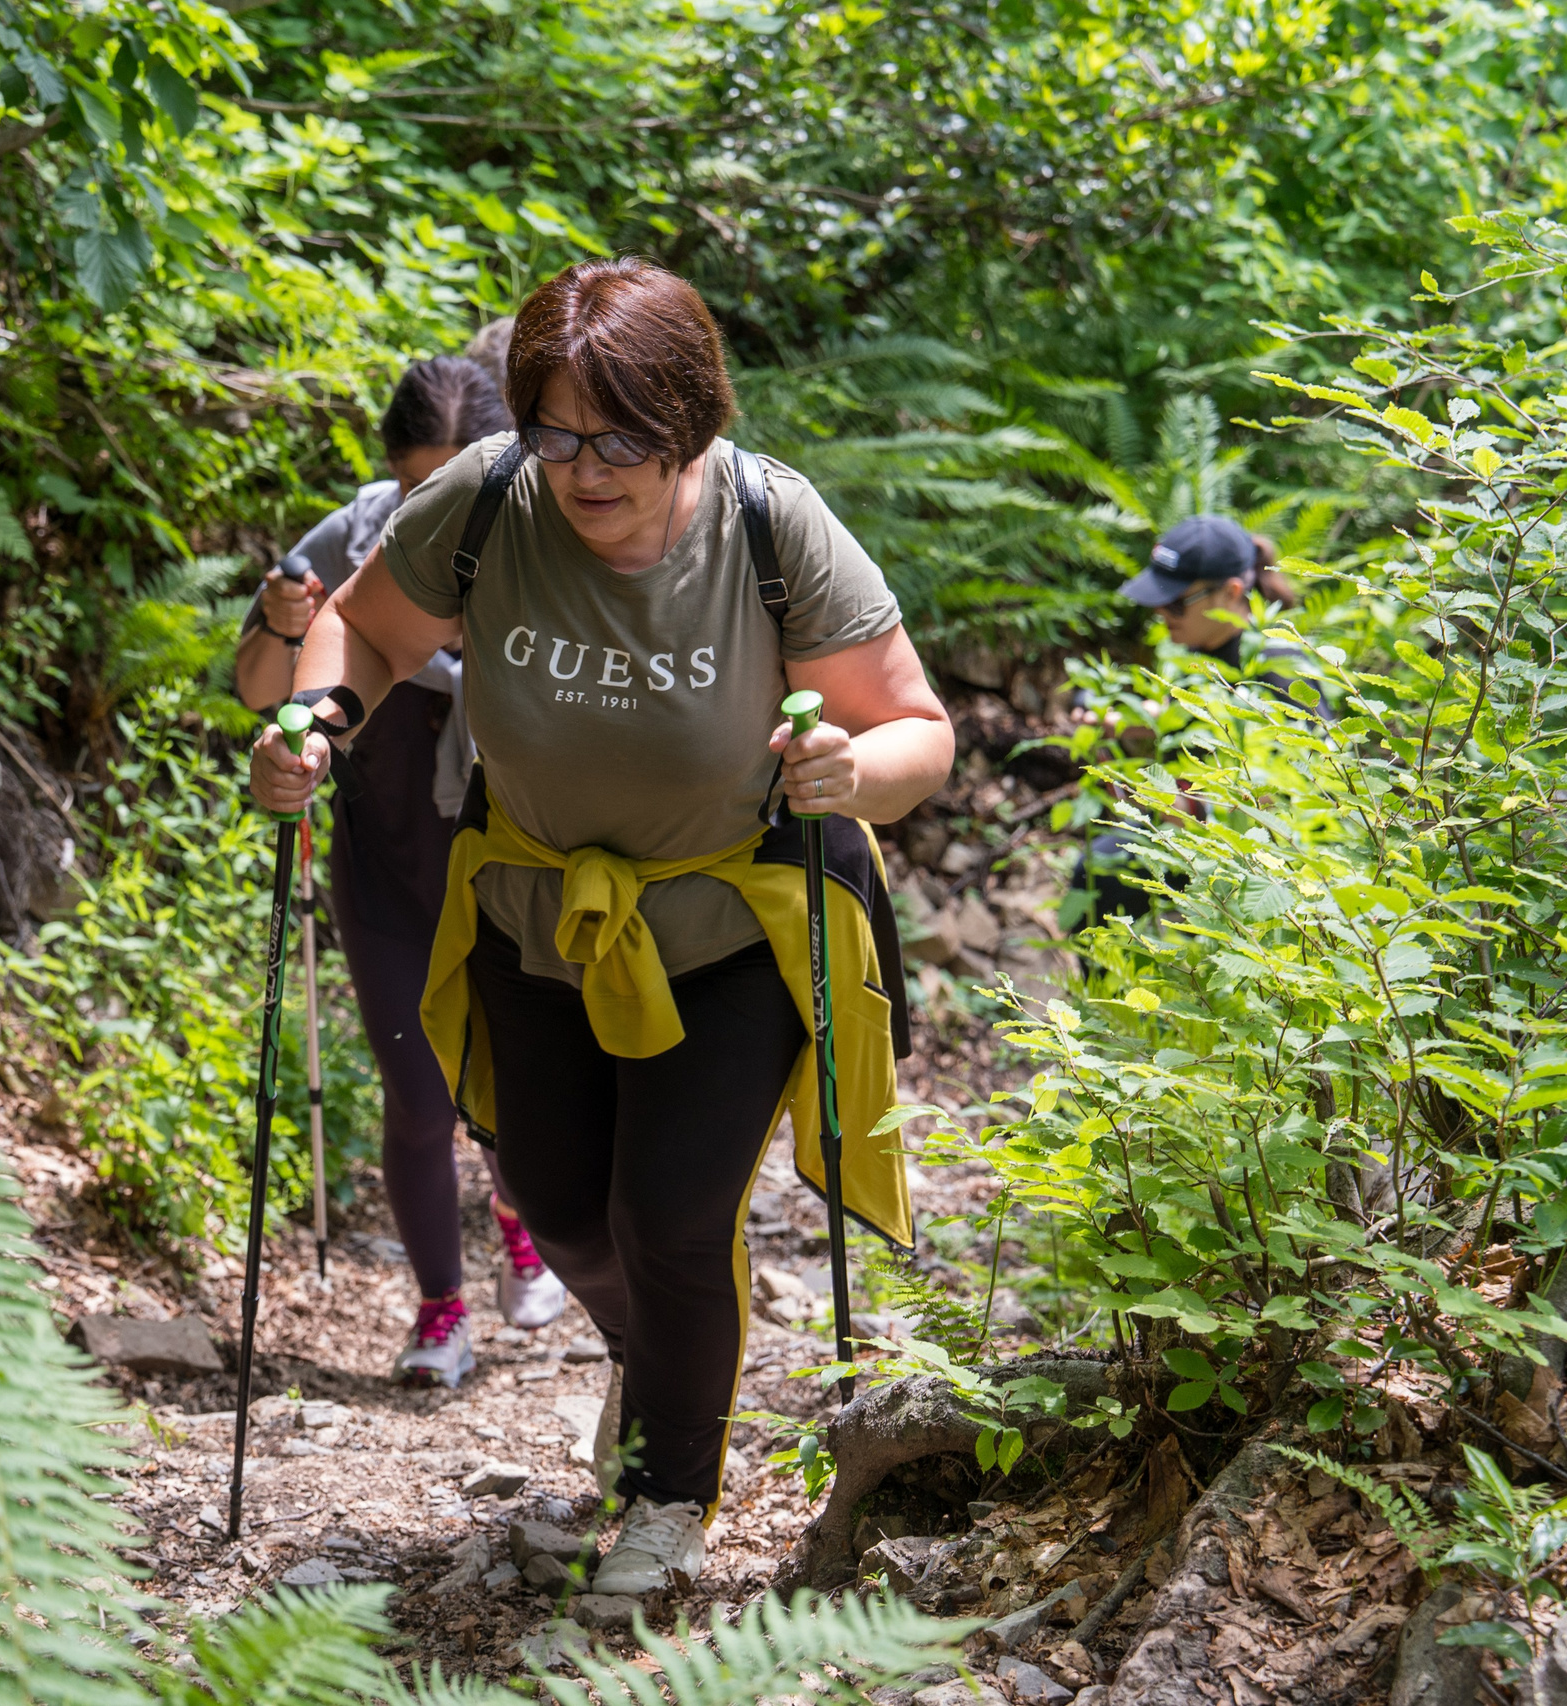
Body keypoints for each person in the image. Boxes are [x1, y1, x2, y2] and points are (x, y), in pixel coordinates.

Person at [248, 258, 952, 1594]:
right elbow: (365, 630)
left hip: (733, 916)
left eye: (620, 435)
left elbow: (920, 726)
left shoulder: (767, 524)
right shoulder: (489, 498)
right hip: (535, 907)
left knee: (675, 1214)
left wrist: (855, 775)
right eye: (559, 431)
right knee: (558, 1201)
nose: (583, 468)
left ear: (689, 419)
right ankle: (658, 1355)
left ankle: (669, 1496)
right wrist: (317, 722)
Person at [235, 349, 569, 1392]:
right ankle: (440, 1309)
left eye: (459, 481)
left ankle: (522, 1219)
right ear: (392, 473)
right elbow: (257, 685)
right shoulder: (350, 543)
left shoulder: (551, 539)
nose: (439, 509)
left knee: (522, 1088)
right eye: (420, 487)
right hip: (385, 866)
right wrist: (285, 630)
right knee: (420, 1098)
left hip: (515, 867)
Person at [1067, 514, 1332, 925]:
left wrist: (1191, 809)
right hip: (1205, 841)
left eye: (1175, 602)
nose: (1161, 613)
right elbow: (1199, 713)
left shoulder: (1279, 669)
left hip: (1257, 871)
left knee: (1100, 872)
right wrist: (1117, 720)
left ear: (1230, 592)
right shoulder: (1202, 649)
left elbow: (1315, 791)